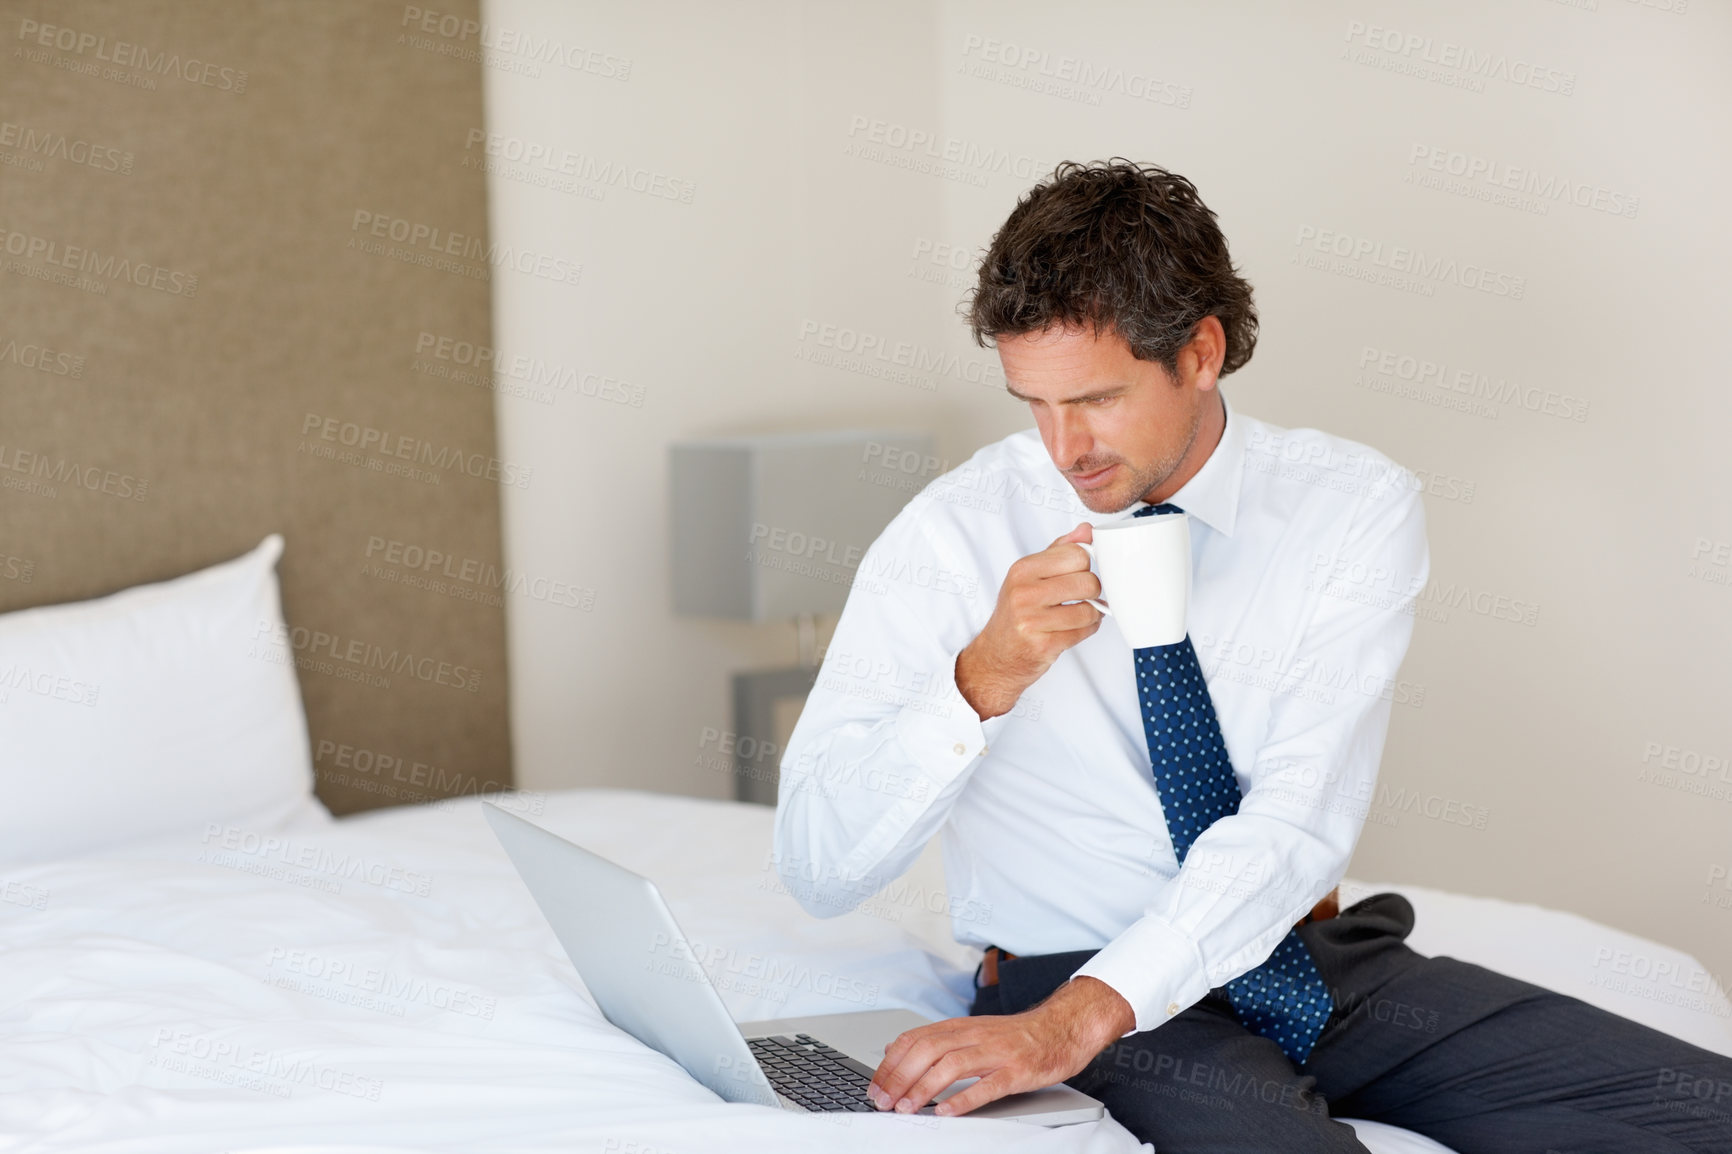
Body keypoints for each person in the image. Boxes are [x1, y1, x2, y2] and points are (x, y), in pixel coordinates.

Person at [771, 158, 1732, 1152]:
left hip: (1303, 956)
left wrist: (1082, 1015)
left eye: (1096, 398)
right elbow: (814, 864)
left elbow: (1297, 816)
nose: (1064, 450)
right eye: (1034, 403)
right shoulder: (951, 535)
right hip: (1066, 965)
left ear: (1199, 351)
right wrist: (981, 681)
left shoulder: (1352, 506)